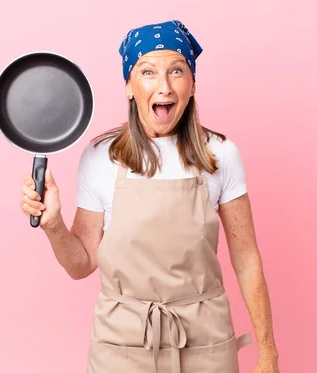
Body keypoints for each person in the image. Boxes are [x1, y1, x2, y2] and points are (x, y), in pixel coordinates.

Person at [19, 19, 279, 373]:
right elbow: (81, 265)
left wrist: (268, 353)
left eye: (177, 70)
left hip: (205, 340)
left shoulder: (220, 154)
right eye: (147, 72)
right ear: (129, 86)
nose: (164, 86)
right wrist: (53, 225)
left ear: (192, 84)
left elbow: (247, 260)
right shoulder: (100, 158)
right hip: (122, 344)